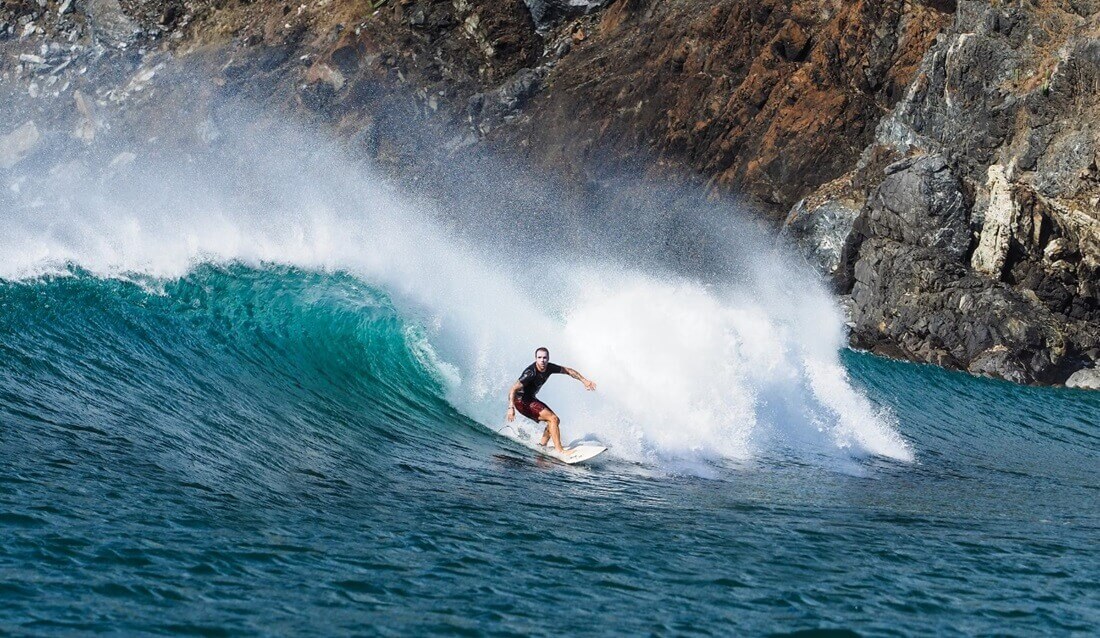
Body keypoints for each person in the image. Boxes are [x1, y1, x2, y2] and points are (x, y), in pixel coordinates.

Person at [506, 347, 596, 454]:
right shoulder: (530, 372)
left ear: (548, 358)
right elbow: (513, 389)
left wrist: (584, 380)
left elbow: (568, 371)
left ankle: (542, 446)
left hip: (530, 399)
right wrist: (511, 407)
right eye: (539, 357)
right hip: (521, 401)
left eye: (545, 357)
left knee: (555, 421)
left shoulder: (549, 367)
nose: (542, 360)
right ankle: (560, 450)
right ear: (536, 359)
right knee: (553, 419)